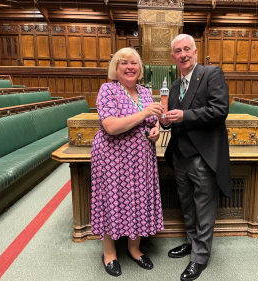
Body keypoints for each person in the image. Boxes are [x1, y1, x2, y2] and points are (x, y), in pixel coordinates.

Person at [159, 34, 232, 281]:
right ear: (173, 57)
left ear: (196, 51)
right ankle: (192, 242)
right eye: (178, 51)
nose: (183, 55)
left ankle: (200, 257)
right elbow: (172, 120)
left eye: (187, 49)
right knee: (187, 205)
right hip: (179, 155)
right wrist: (164, 122)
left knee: (203, 206)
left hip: (203, 155)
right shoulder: (176, 86)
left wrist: (184, 116)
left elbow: (219, 110)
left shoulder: (212, 74)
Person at [90, 47, 164, 277]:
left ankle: (134, 248)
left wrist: (155, 130)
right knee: (111, 200)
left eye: (134, 63)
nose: (130, 67)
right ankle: (110, 253)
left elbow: (153, 121)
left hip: (141, 158)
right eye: (124, 63)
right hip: (112, 157)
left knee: (139, 199)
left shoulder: (144, 92)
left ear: (140, 68)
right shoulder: (108, 90)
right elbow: (110, 126)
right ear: (116, 67)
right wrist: (144, 115)